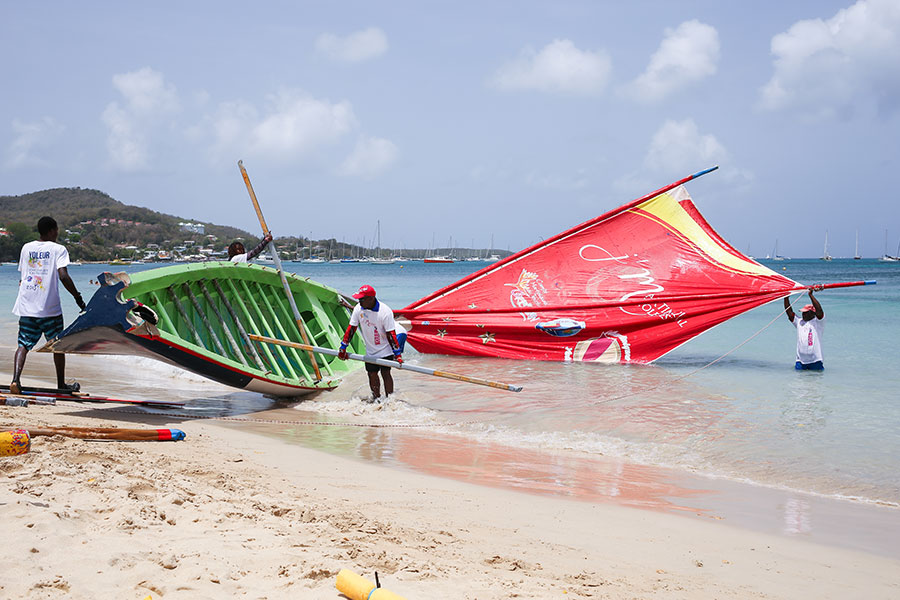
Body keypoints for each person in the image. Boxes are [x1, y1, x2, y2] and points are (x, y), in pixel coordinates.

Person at [10, 216, 86, 394]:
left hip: (27, 306)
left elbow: (24, 276)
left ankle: (15, 380)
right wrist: (78, 298)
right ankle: (60, 384)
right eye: (57, 230)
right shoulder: (58, 249)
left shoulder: (26, 248)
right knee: (58, 345)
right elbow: (64, 276)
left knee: (23, 344)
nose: (57, 233)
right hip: (48, 308)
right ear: (52, 230)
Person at [337, 284, 403, 400]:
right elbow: (351, 329)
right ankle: (376, 398)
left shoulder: (385, 311)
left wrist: (397, 354)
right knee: (371, 374)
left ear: (371, 298)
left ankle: (390, 401)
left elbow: (391, 334)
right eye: (358, 299)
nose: (359, 301)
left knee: (385, 373)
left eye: (362, 299)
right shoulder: (359, 308)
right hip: (370, 350)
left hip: (385, 349)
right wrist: (343, 348)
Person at [784, 288, 824, 371]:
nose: (803, 314)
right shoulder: (799, 322)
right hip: (800, 361)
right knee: (799, 382)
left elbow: (819, 310)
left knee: (817, 382)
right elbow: (789, 313)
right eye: (803, 312)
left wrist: (811, 295)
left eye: (805, 312)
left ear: (812, 313)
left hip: (815, 361)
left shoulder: (818, 322)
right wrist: (786, 297)